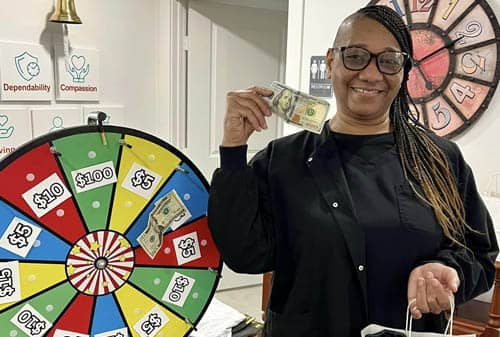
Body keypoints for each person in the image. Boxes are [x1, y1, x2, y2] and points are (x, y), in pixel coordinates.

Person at [207, 5, 498, 337]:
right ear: (331, 62)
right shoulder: (284, 160)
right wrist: (233, 150)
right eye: (355, 56)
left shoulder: (440, 160)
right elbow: (244, 255)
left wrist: (449, 269)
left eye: (389, 61)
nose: (371, 74)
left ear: (403, 71)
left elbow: (480, 254)